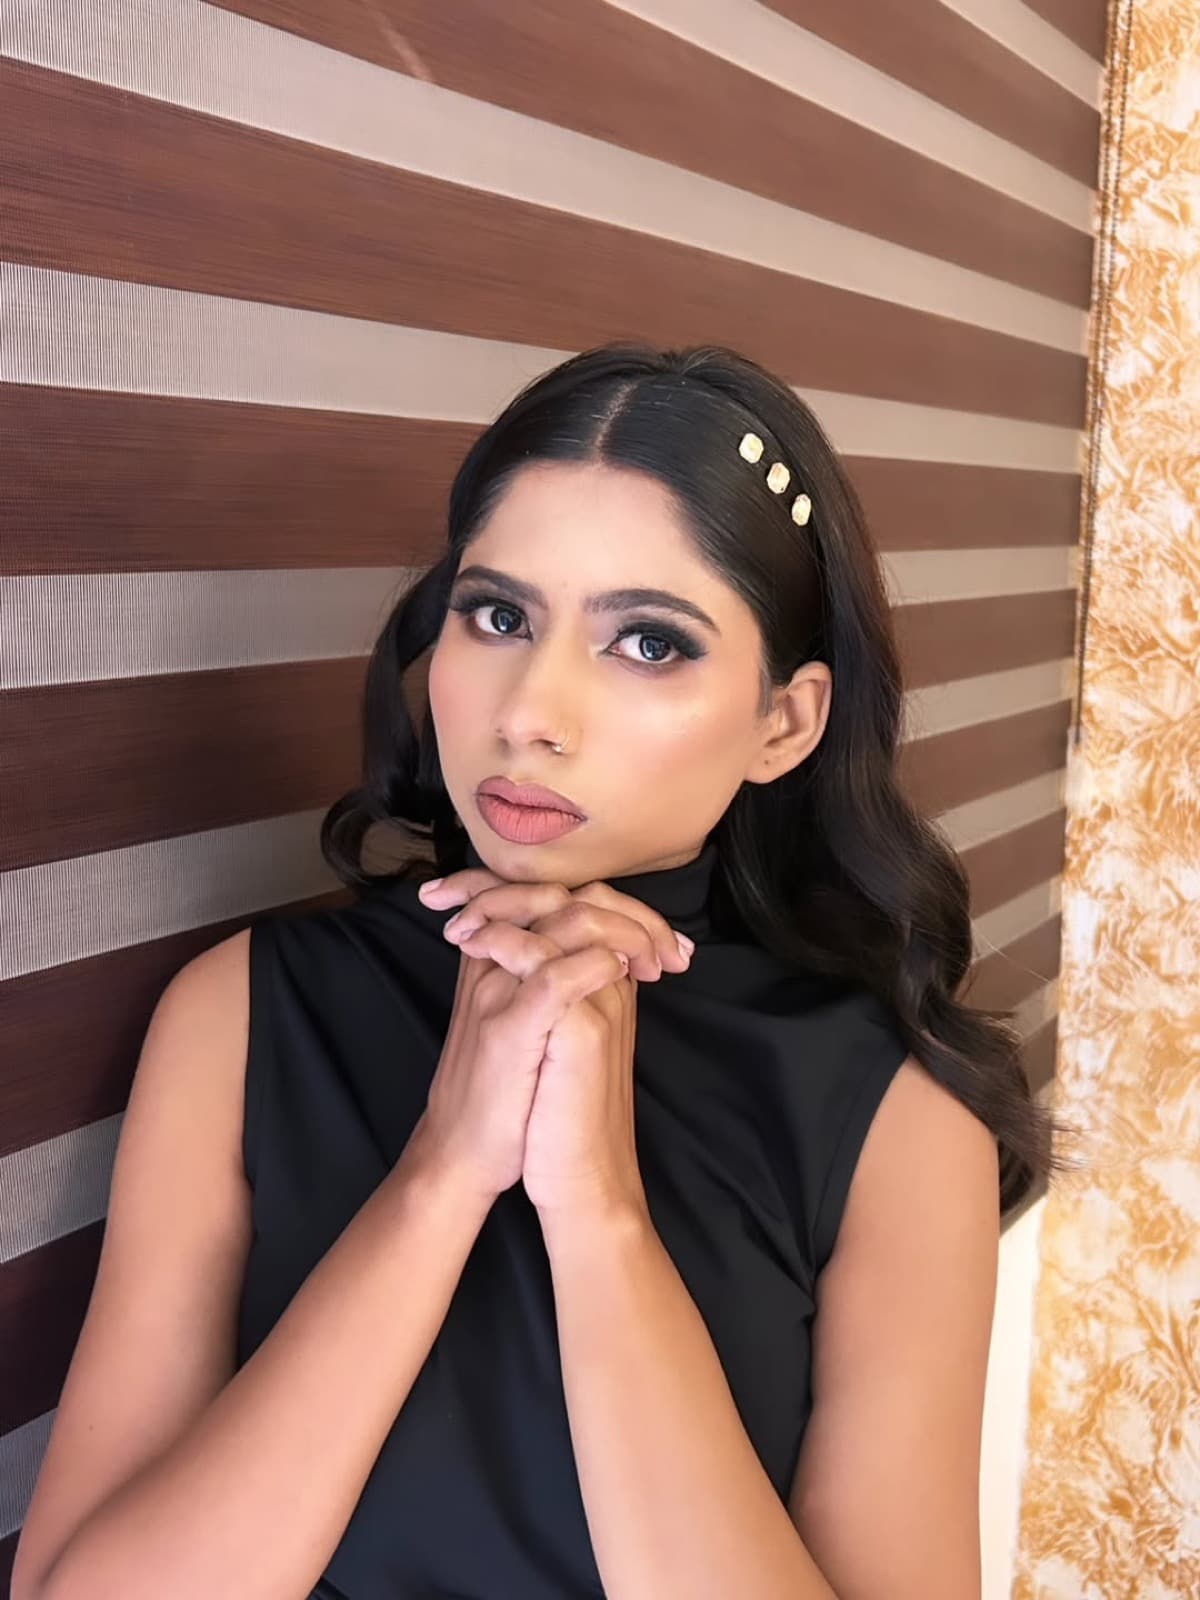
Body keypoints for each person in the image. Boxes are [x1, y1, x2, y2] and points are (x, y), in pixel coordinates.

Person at [14, 343, 1074, 1600]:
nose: (531, 711)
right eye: (500, 616)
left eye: (650, 642)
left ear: (783, 722)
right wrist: (440, 1175)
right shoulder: (245, 1012)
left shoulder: (896, 1116)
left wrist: (600, 1217)